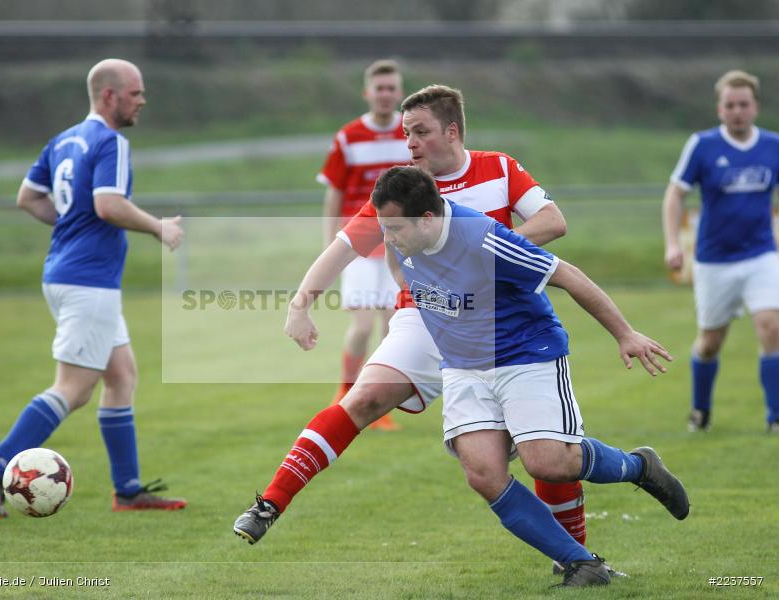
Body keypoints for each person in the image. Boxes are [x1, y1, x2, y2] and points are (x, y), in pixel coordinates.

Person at [235, 85, 606, 575]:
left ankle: (576, 561)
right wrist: (300, 304)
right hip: (424, 316)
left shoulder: (498, 168)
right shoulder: (405, 189)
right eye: (406, 133)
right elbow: (346, 247)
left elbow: (552, 221)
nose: (409, 142)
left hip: (502, 323)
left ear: (451, 131)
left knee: (547, 451)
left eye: (420, 132)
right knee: (362, 399)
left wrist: (482, 251)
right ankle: (271, 502)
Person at [371, 165, 688, 587]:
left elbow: (568, 275)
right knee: (483, 473)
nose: (387, 237)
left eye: (394, 228)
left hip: (525, 353)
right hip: (464, 366)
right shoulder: (402, 235)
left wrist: (625, 333)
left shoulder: (483, 239)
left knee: (549, 464)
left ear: (428, 219)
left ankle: (640, 466)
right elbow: (400, 265)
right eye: (383, 227)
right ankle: (582, 564)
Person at [0, 58, 187, 518]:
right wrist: (158, 227)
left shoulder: (63, 139)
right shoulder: (110, 140)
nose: (142, 100)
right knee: (74, 388)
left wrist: (70, 226)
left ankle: (128, 491)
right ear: (109, 96)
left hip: (68, 273)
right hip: (88, 280)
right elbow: (108, 205)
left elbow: (27, 198)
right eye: (135, 92)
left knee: (121, 375)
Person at [663, 70, 779, 433]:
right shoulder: (703, 145)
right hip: (714, 260)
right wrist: (671, 243)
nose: (737, 111)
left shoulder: (773, 146)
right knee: (711, 342)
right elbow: (675, 194)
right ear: (720, 109)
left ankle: (775, 417)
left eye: (743, 104)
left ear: (755, 106)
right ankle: (700, 411)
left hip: (761, 254)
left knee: (771, 327)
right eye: (730, 105)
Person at [317, 59, 410, 431]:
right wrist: (330, 247)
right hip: (358, 246)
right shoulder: (349, 137)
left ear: (399, 93)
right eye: (379, 88)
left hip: (400, 248)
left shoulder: (411, 133)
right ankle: (344, 393)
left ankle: (378, 403)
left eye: (391, 88)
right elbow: (335, 194)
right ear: (367, 93)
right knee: (360, 326)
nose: (385, 94)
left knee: (391, 326)